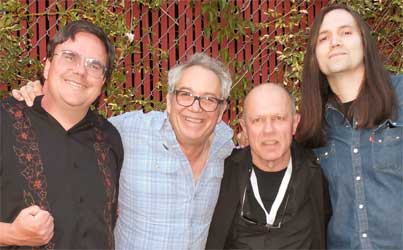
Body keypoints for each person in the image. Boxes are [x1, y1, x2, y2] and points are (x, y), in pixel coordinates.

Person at [12, 53, 235, 249]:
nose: (195, 108)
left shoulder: (225, 146)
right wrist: (47, 98)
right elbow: (73, 127)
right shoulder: (127, 132)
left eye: (209, 99)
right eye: (185, 94)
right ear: (168, 100)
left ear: (222, 109)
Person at [0, 20, 123, 249]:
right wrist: (10, 234)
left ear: (103, 82)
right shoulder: (5, 122)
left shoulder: (110, 138)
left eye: (95, 65)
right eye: (69, 56)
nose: (81, 70)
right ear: (46, 65)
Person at [297, 4, 403, 249]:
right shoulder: (314, 127)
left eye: (346, 32)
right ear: (315, 57)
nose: (335, 42)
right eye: (324, 38)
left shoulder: (400, 94)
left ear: (365, 43)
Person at [206, 83, 328, 249]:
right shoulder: (223, 173)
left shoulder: (318, 172)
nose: (268, 130)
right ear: (244, 127)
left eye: (278, 118)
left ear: (294, 123)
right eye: (257, 120)